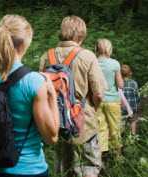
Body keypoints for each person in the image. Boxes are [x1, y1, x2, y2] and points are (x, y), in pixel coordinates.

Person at [40, 16, 107, 177]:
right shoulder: (87, 56)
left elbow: (41, 91)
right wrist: (93, 109)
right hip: (84, 122)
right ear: (81, 35)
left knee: (63, 166)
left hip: (58, 122)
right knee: (89, 166)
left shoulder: (46, 56)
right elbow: (99, 92)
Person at [0, 15, 59, 177]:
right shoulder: (34, 81)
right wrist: (52, 95)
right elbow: (52, 137)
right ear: (25, 43)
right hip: (29, 167)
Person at [95, 38, 124, 154]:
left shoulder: (93, 62)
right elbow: (120, 84)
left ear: (96, 49)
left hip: (97, 100)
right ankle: (117, 157)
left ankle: (101, 158)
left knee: (101, 129)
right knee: (115, 129)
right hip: (112, 101)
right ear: (109, 49)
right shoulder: (114, 63)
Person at [121, 64, 140, 135]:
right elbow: (137, 97)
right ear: (130, 73)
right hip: (132, 108)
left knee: (121, 124)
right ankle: (133, 136)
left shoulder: (117, 83)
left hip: (121, 109)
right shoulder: (134, 83)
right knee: (133, 121)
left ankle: (121, 137)